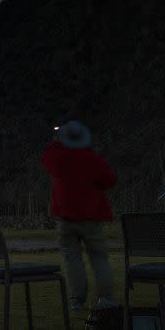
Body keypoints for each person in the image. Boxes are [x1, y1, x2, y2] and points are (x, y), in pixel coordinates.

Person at [43, 120, 117, 311]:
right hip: (92, 216)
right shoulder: (91, 159)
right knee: (99, 257)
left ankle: (77, 299)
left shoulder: (57, 158)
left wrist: (55, 141)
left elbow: (47, 159)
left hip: (66, 218)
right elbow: (110, 179)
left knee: (72, 259)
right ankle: (106, 298)